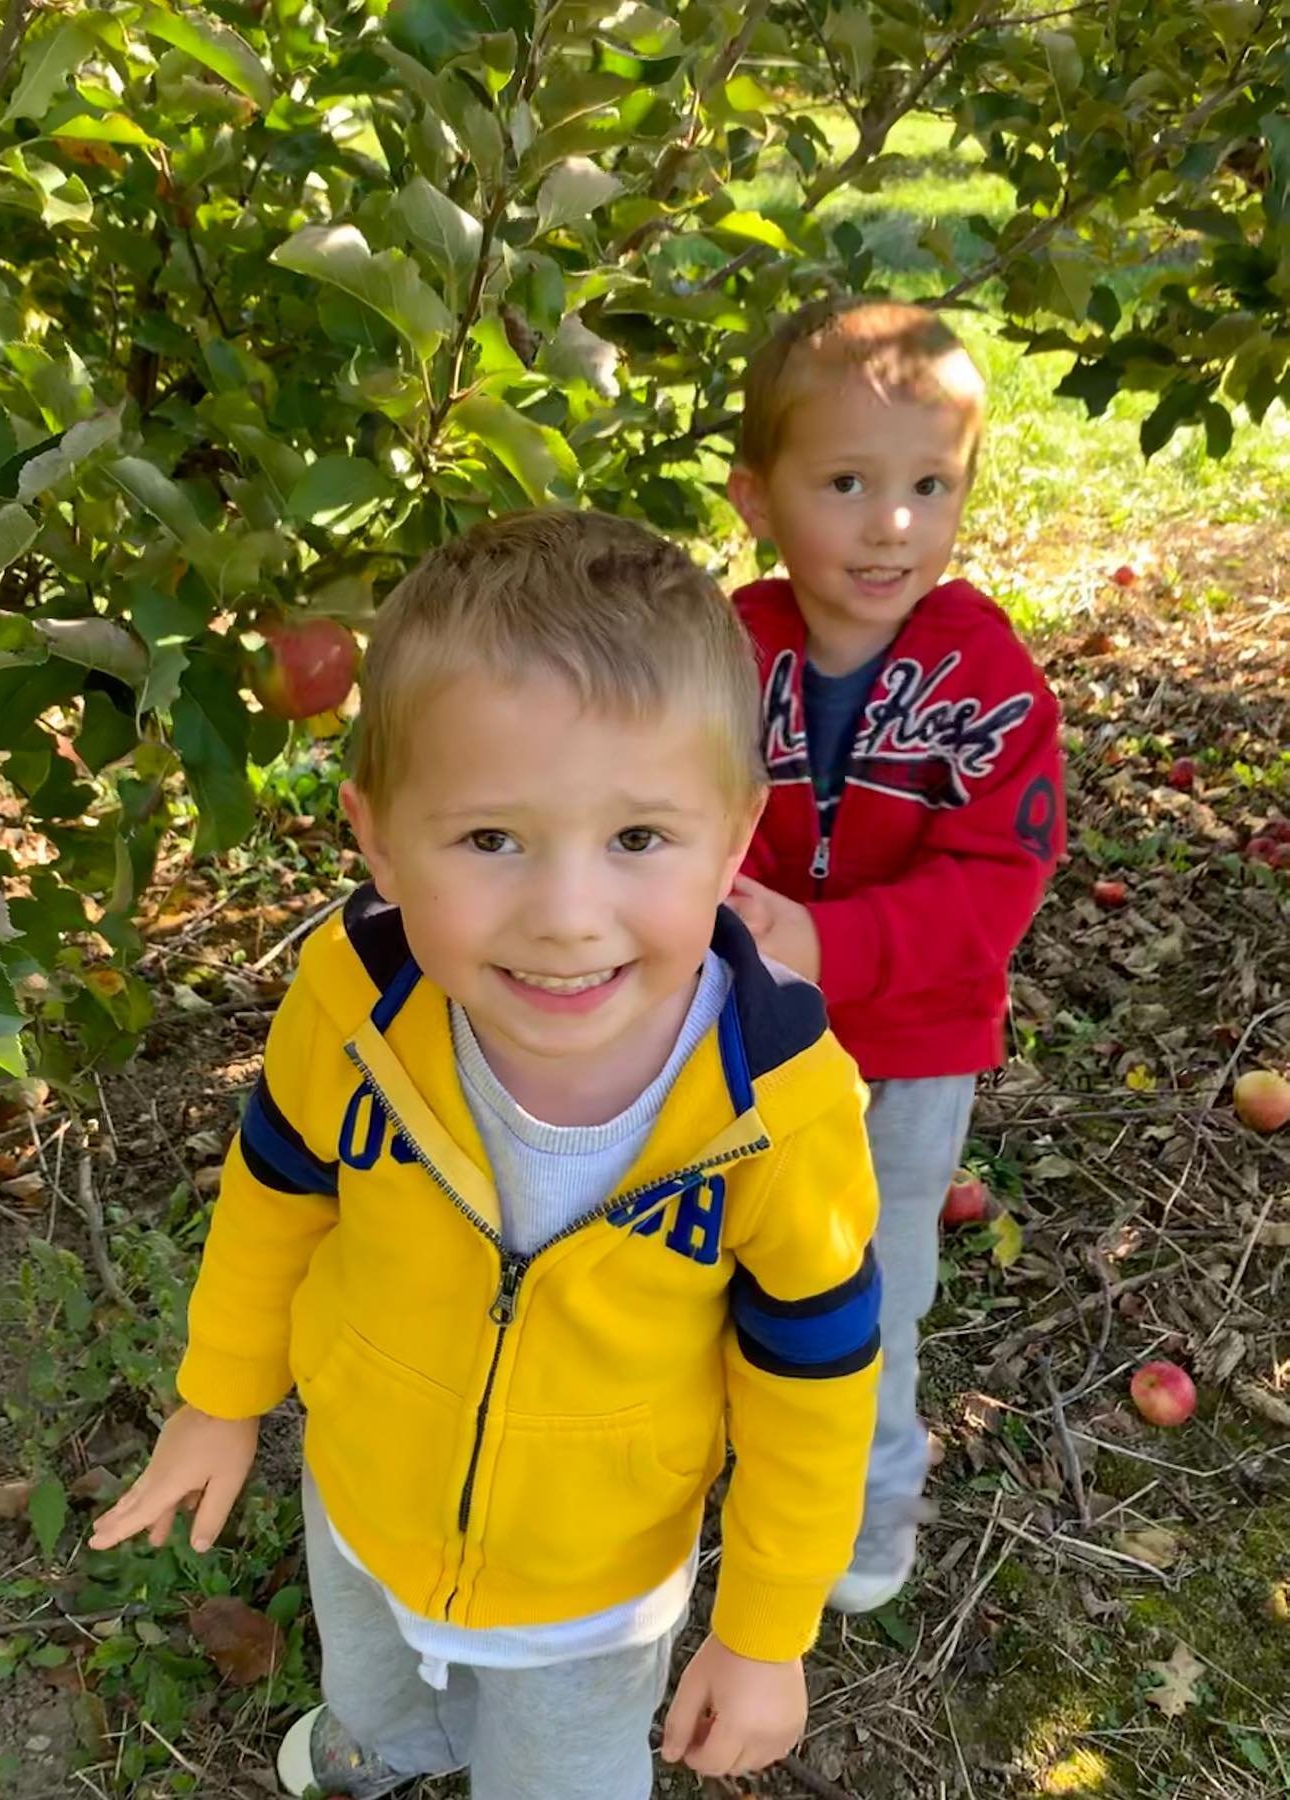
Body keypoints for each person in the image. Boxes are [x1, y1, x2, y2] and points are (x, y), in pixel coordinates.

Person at [90, 510, 883, 1800]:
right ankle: (387, 1744)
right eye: (491, 839)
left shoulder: (780, 1113)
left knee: (558, 1778)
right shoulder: (351, 1006)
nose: (567, 917)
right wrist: (221, 1395)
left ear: (734, 840)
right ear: (379, 840)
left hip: (594, 1581)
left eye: (638, 840)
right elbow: (278, 1193)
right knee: (371, 1672)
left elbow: (816, 1377)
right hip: (366, 1490)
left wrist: (766, 1629)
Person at [726, 301, 1065, 1614]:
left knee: (873, 1292)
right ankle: (747, 1454)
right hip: (746, 1028)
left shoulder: (987, 684)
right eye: (849, 483)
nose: (893, 526)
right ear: (759, 499)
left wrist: (829, 941)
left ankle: (870, 1503)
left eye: (932, 485)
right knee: (743, 1254)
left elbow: (994, 886)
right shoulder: (721, 652)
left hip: (910, 1054)